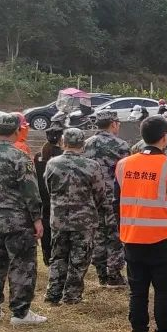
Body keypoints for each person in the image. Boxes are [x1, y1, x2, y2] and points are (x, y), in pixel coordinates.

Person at [115, 116, 167, 332]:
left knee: (137, 291)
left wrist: (122, 229)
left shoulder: (123, 164)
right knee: (163, 291)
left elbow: (118, 202)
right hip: (161, 238)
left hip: (131, 237)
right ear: (165, 137)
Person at [0, 113, 46, 325]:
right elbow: (31, 192)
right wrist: (37, 219)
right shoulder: (20, 157)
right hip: (17, 221)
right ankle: (20, 313)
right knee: (22, 264)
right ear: (16, 131)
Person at [43, 127, 109, 305]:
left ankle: (53, 294)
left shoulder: (52, 163)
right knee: (79, 259)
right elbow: (100, 193)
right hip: (84, 220)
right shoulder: (91, 165)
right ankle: (72, 296)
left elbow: (48, 189)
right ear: (83, 144)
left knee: (58, 256)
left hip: (58, 218)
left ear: (64, 143)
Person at [83, 109, 131, 288]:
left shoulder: (86, 144)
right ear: (113, 124)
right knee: (115, 235)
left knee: (98, 234)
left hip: (91, 196)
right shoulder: (121, 145)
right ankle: (114, 274)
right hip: (113, 196)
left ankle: (101, 273)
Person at [35, 123, 65, 266]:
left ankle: (47, 257)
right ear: (61, 139)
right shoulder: (62, 157)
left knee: (46, 227)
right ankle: (59, 256)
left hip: (42, 198)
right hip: (59, 198)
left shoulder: (38, 156)